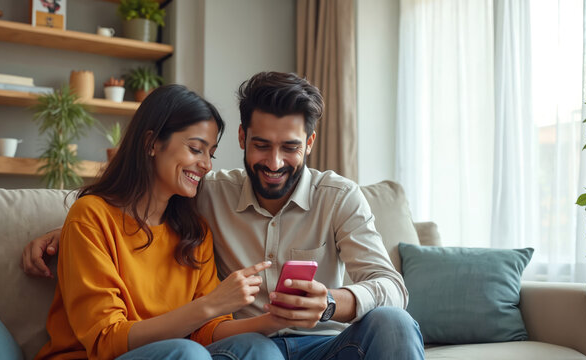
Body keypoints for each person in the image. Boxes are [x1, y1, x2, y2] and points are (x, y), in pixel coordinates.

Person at [24, 72, 425, 359]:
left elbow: (392, 287)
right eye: (261, 145)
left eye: (290, 147)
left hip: (319, 342)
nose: (274, 161)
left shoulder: (197, 221)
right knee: (241, 350)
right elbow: (125, 213)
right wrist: (67, 230)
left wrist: (330, 304)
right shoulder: (205, 197)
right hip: (243, 348)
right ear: (242, 139)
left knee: (394, 322)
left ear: (310, 143)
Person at [33, 84, 287, 360]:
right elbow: (105, 340)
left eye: (210, 153)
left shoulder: (195, 232)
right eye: (195, 149)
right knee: (187, 354)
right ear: (151, 143)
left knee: (258, 348)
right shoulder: (91, 217)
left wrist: (272, 321)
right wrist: (209, 304)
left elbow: (205, 331)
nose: (207, 165)